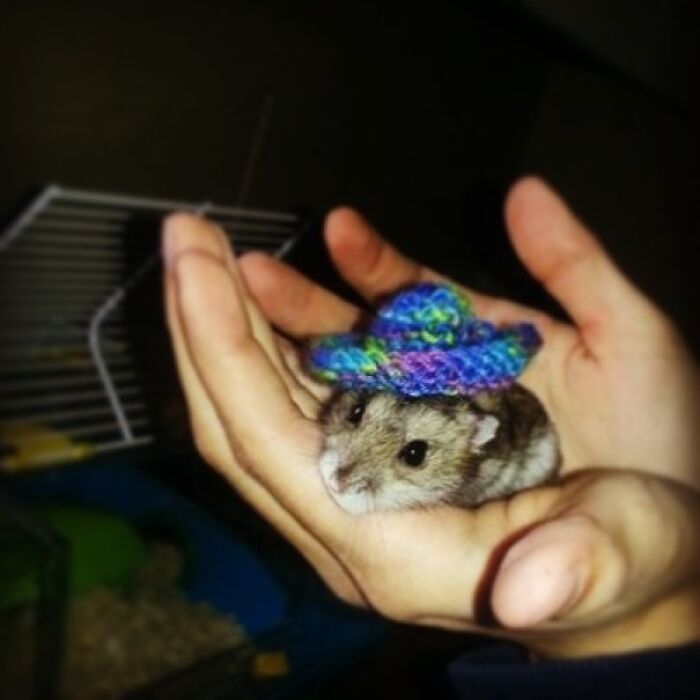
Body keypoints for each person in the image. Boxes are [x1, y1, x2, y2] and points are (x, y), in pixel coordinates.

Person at [161, 177, 700, 695]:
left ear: (479, 438)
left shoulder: (490, 447)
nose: (345, 472)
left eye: (414, 454)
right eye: (354, 416)